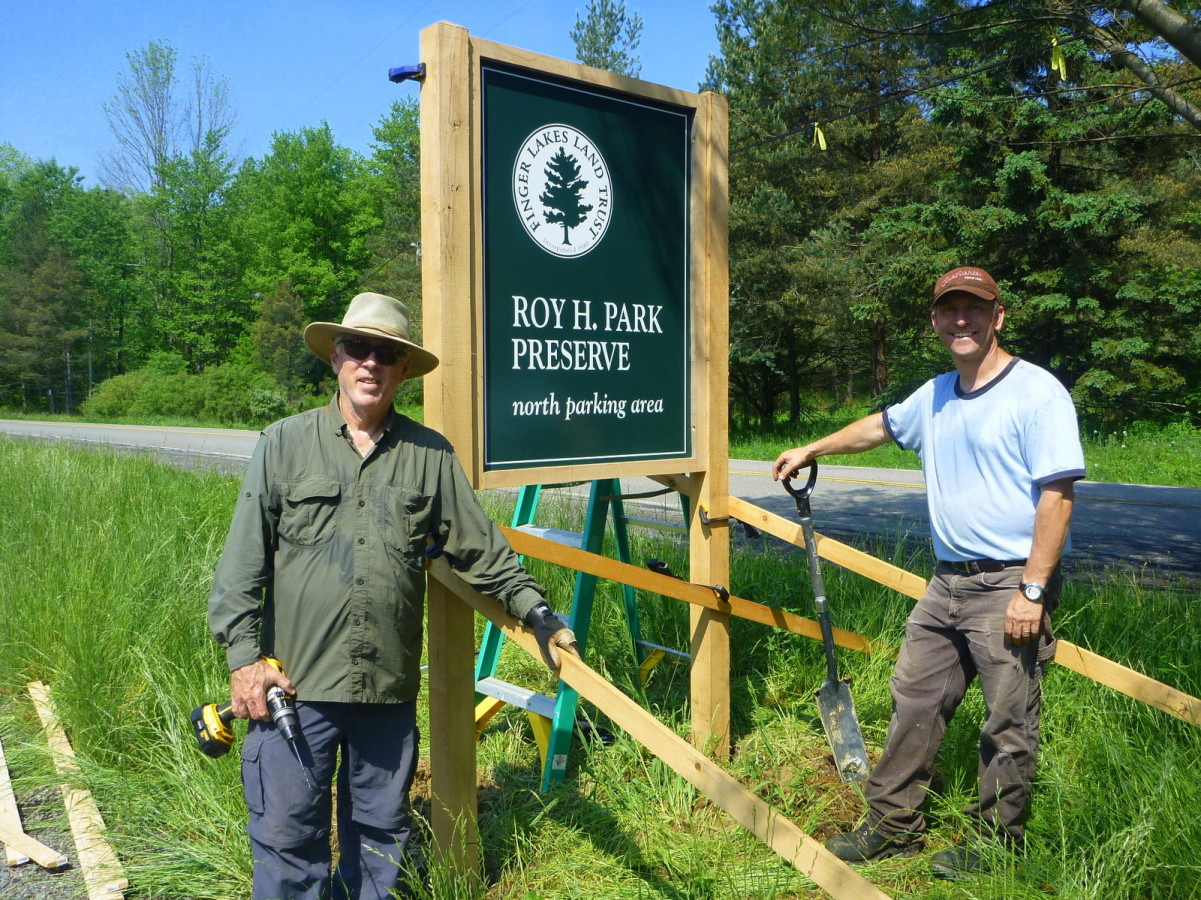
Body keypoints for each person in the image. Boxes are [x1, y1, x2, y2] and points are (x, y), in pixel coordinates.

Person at [208, 292, 579, 900]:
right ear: (336, 357)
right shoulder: (284, 443)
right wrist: (243, 661)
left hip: (386, 691)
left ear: (404, 369)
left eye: (387, 353)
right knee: (287, 838)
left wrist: (535, 612)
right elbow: (242, 564)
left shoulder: (429, 455)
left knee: (382, 840)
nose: (370, 363)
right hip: (292, 689)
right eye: (359, 348)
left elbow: (479, 547)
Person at [773, 266, 1084, 879]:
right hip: (946, 583)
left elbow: (1058, 497)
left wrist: (1032, 590)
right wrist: (813, 448)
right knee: (914, 695)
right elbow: (880, 427)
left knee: (1008, 717)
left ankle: (997, 842)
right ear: (936, 321)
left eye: (974, 309)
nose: (961, 320)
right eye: (950, 310)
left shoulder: (1037, 393)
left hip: (1009, 583)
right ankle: (893, 825)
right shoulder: (936, 393)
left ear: (998, 317)